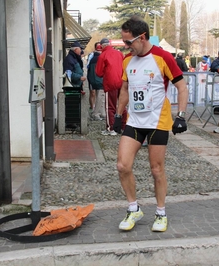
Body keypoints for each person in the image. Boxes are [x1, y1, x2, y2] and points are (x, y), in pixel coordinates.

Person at [113, 16, 188, 232]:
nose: (126, 47)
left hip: (158, 121)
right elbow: (125, 90)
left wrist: (181, 116)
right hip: (135, 121)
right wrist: (118, 116)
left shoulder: (162, 57)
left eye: (128, 42)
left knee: (156, 170)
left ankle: (161, 213)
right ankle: (133, 208)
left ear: (142, 37)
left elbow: (182, 87)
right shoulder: (127, 61)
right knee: (122, 165)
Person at [95, 38, 127, 136]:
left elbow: (99, 72)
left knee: (110, 106)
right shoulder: (119, 53)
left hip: (110, 82)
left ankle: (111, 128)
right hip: (121, 81)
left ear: (102, 46)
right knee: (122, 104)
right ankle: (124, 126)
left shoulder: (103, 55)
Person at [87, 42, 105, 121]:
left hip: (93, 80)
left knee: (99, 96)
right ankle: (96, 113)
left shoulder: (92, 59)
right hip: (99, 80)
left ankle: (102, 113)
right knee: (100, 97)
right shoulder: (100, 59)